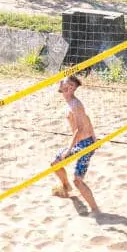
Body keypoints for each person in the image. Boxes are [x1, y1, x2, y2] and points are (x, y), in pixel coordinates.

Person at [50, 74, 100, 213]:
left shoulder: (75, 104)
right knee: (55, 163)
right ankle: (66, 186)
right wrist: (95, 137)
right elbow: (87, 117)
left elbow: (79, 129)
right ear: (61, 85)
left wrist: (69, 150)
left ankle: (96, 210)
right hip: (83, 142)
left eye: (71, 86)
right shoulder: (70, 102)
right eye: (66, 84)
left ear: (74, 89)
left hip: (85, 144)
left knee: (78, 181)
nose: (67, 87)